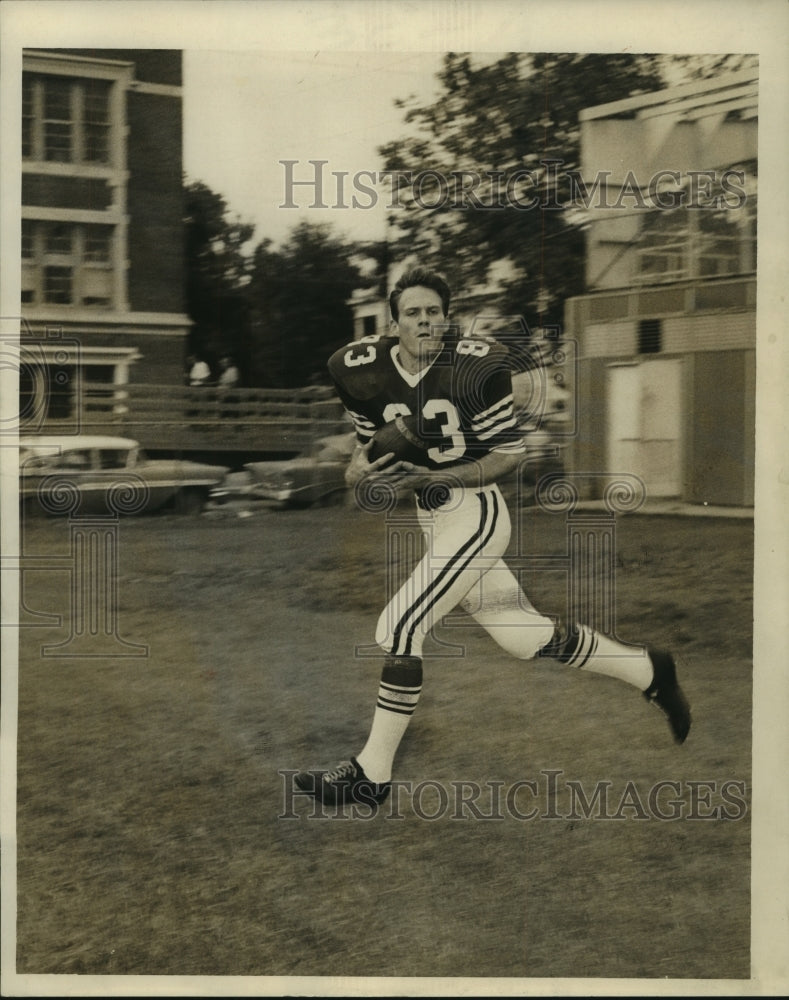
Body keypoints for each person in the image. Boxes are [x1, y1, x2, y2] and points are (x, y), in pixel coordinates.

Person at [295, 268, 691, 809]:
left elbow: (509, 455)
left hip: (475, 514)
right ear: (394, 323)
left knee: (399, 626)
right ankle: (650, 671)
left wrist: (438, 477)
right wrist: (359, 472)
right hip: (433, 519)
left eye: (434, 311)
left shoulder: (475, 366)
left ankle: (371, 775)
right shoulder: (361, 369)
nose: (425, 321)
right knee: (522, 636)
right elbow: (367, 454)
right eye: (413, 313)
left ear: (447, 316)